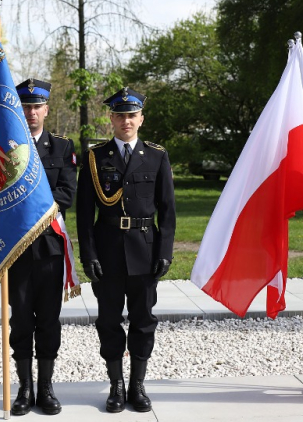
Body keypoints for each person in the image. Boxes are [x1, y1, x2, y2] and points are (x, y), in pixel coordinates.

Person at [76, 86, 175, 413]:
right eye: (120, 115)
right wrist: (88, 255)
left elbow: (168, 210)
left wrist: (165, 251)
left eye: (131, 115)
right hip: (108, 251)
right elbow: (85, 211)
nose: (126, 121)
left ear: (141, 118)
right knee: (108, 319)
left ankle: (137, 385)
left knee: (144, 319)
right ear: (112, 119)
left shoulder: (157, 155)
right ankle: (116, 385)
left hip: (145, 251)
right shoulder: (95, 157)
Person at [7, 79, 77, 416]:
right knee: (20, 321)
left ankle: (46, 389)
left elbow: (68, 193)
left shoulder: (62, 148)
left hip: (49, 248)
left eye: (37, 107)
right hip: (17, 250)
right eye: (25, 107)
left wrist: (33, 205)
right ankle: (24, 388)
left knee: (48, 320)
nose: (31, 112)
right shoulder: (7, 147)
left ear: (46, 110)